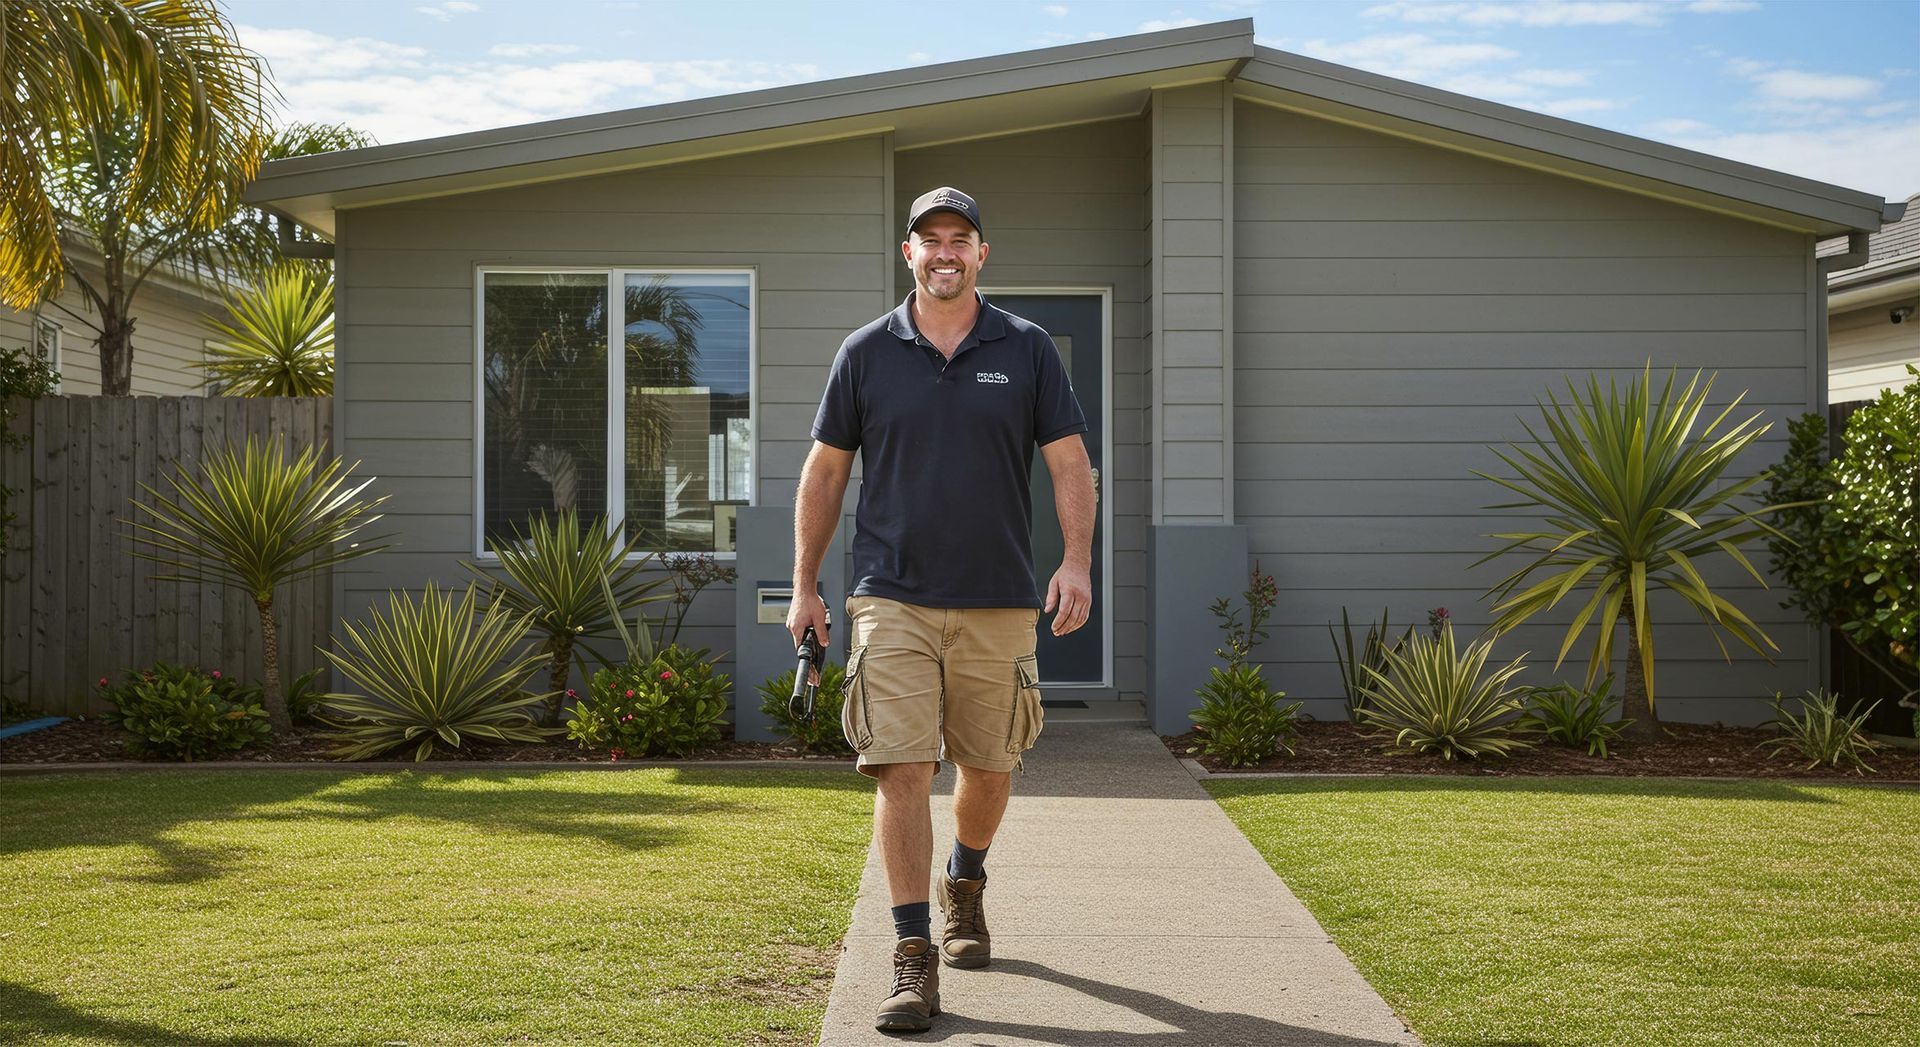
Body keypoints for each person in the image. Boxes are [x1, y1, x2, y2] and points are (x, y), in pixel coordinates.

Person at [788, 186, 1096, 1033]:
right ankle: (912, 952)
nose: (946, 251)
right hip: (890, 593)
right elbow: (825, 472)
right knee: (901, 765)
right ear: (909, 253)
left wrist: (1075, 560)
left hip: (998, 594)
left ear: (981, 254)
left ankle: (965, 877)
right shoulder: (865, 352)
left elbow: (1069, 461)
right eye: (932, 239)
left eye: (961, 238)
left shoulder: (1027, 348)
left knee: (990, 766)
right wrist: (806, 584)